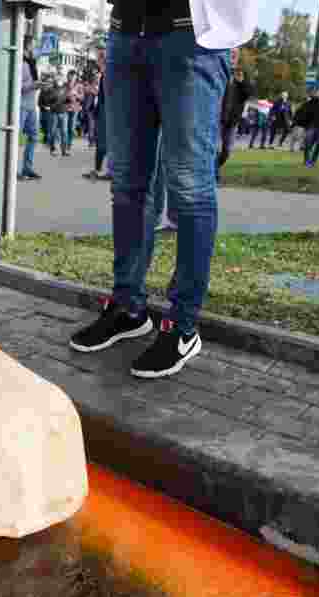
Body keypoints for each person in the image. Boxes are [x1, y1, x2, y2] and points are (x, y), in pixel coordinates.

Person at [70, 0, 257, 379]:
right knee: (127, 183)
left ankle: (183, 325)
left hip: (190, 35)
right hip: (125, 32)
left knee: (189, 187)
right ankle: (128, 307)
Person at [219, 58, 254, 178]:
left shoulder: (242, 84)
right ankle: (212, 172)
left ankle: (215, 167)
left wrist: (241, 81)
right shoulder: (222, 79)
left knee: (227, 150)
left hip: (232, 121)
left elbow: (249, 93)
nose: (235, 73)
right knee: (214, 148)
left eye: (238, 72)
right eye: (233, 70)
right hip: (218, 120)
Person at [84, 47, 112, 181]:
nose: (97, 64)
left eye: (99, 60)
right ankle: (100, 170)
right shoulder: (104, 75)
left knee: (104, 142)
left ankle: (106, 171)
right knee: (103, 142)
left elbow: (108, 96)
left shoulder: (108, 75)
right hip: (103, 112)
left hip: (106, 114)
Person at [18, 34, 43, 181]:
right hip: (21, 105)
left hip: (31, 105)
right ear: (27, 46)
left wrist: (40, 84)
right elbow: (17, 86)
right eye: (34, 45)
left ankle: (27, 168)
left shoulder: (32, 63)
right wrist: (33, 85)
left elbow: (33, 82)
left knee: (34, 137)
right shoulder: (20, 63)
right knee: (14, 139)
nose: (35, 48)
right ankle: (11, 170)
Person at [62, 70, 83, 156]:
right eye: (69, 76)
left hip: (74, 109)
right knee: (64, 129)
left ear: (75, 77)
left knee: (71, 129)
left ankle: (68, 146)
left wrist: (76, 95)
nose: (70, 78)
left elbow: (82, 97)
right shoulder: (64, 85)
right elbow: (60, 95)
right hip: (65, 109)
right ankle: (64, 148)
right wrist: (66, 94)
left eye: (72, 76)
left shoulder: (79, 86)